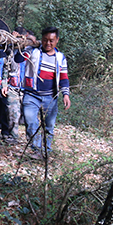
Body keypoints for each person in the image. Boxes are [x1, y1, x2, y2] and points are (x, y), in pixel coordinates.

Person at [16, 26, 71, 156]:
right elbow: (18, 59)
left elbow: (63, 78)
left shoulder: (60, 58)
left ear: (57, 40)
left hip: (50, 97)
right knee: (30, 122)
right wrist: (24, 43)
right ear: (41, 39)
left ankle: (46, 151)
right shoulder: (33, 52)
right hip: (31, 95)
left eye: (51, 40)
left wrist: (66, 94)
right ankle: (37, 149)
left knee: (49, 126)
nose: (48, 43)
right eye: (45, 40)